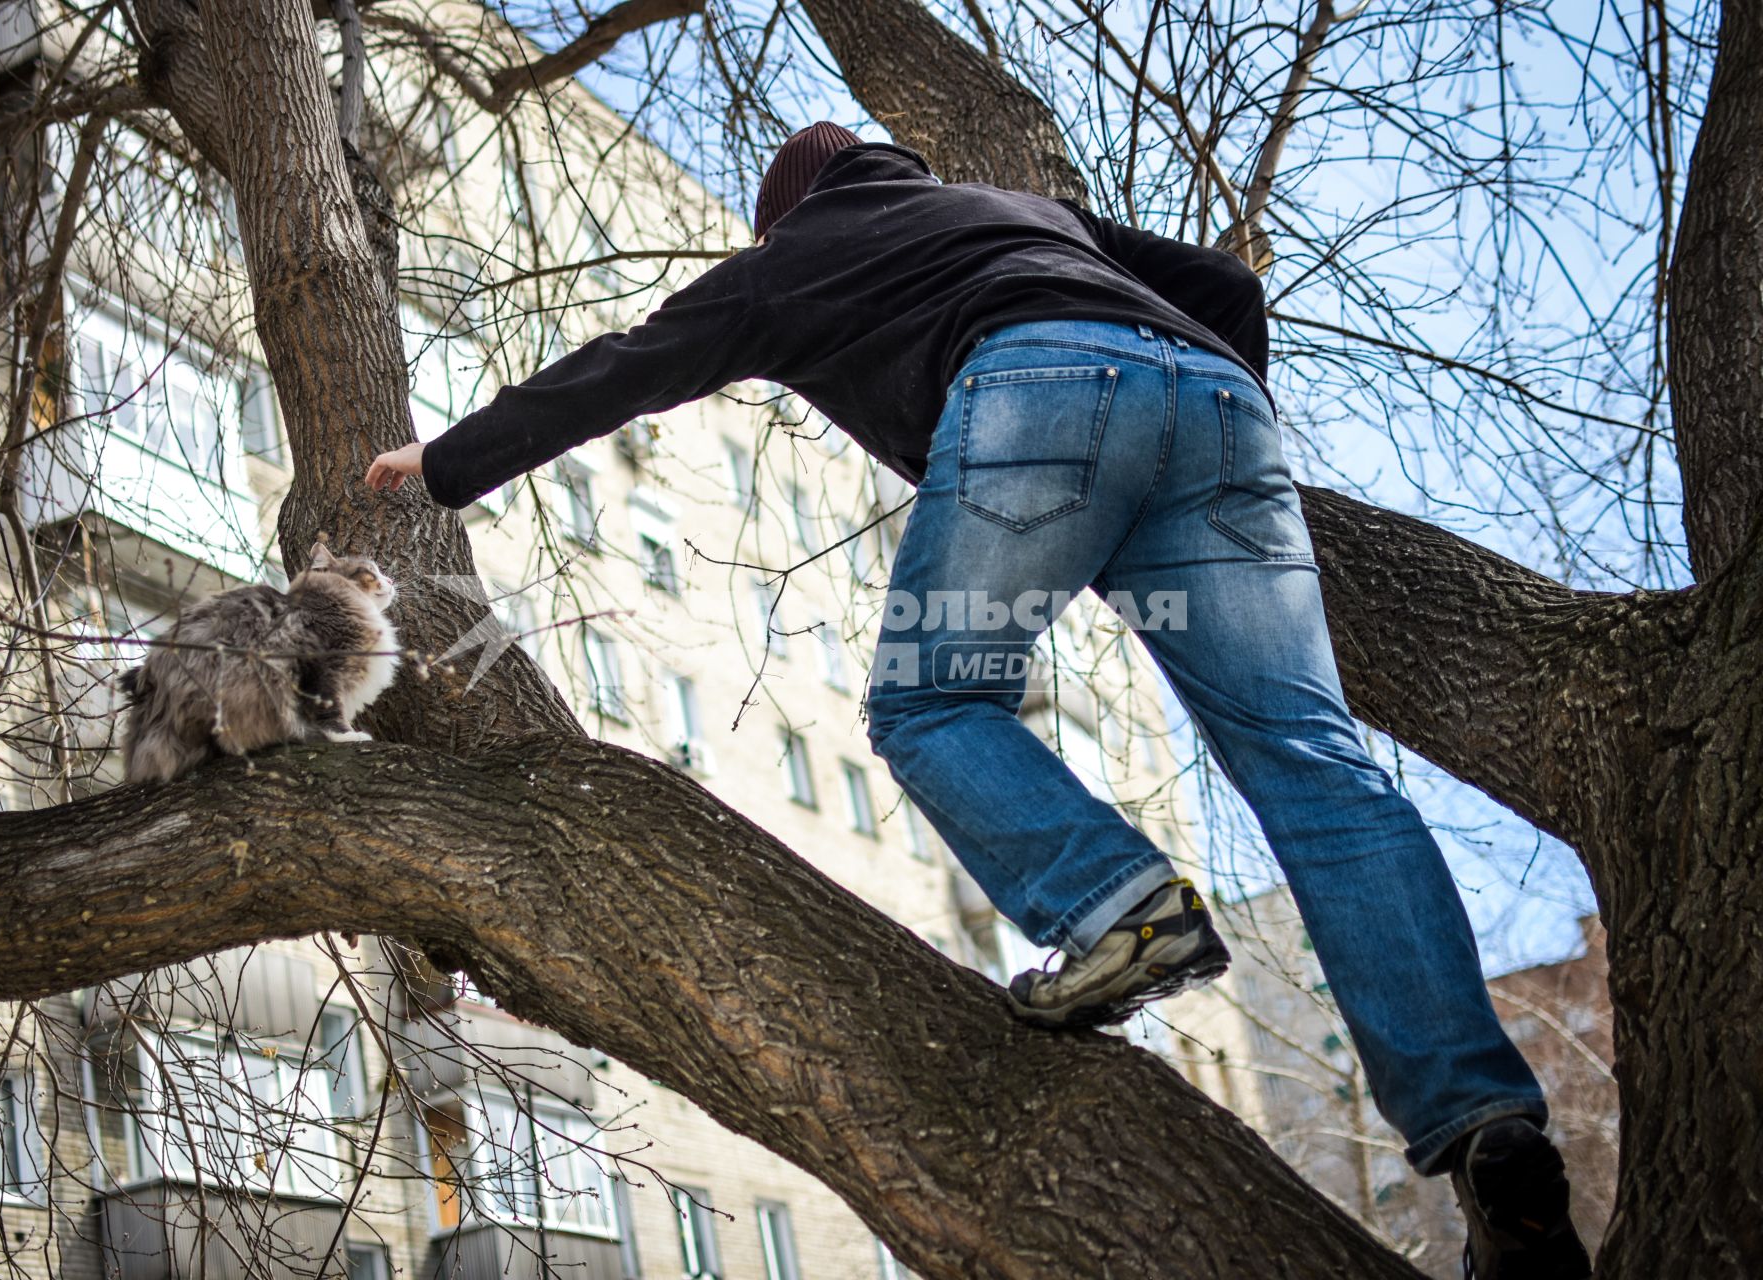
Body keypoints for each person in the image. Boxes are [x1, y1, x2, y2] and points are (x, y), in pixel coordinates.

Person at [365, 122, 1591, 1279]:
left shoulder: (789, 264)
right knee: (1317, 765)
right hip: (1219, 410)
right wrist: (1201, 425)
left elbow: (626, 368)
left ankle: (1122, 906)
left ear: (779, 221)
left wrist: (451, 461)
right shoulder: (1015, 209)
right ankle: (1481, 1120)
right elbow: (1225, 284)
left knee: (930, 700)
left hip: (1040, 390)